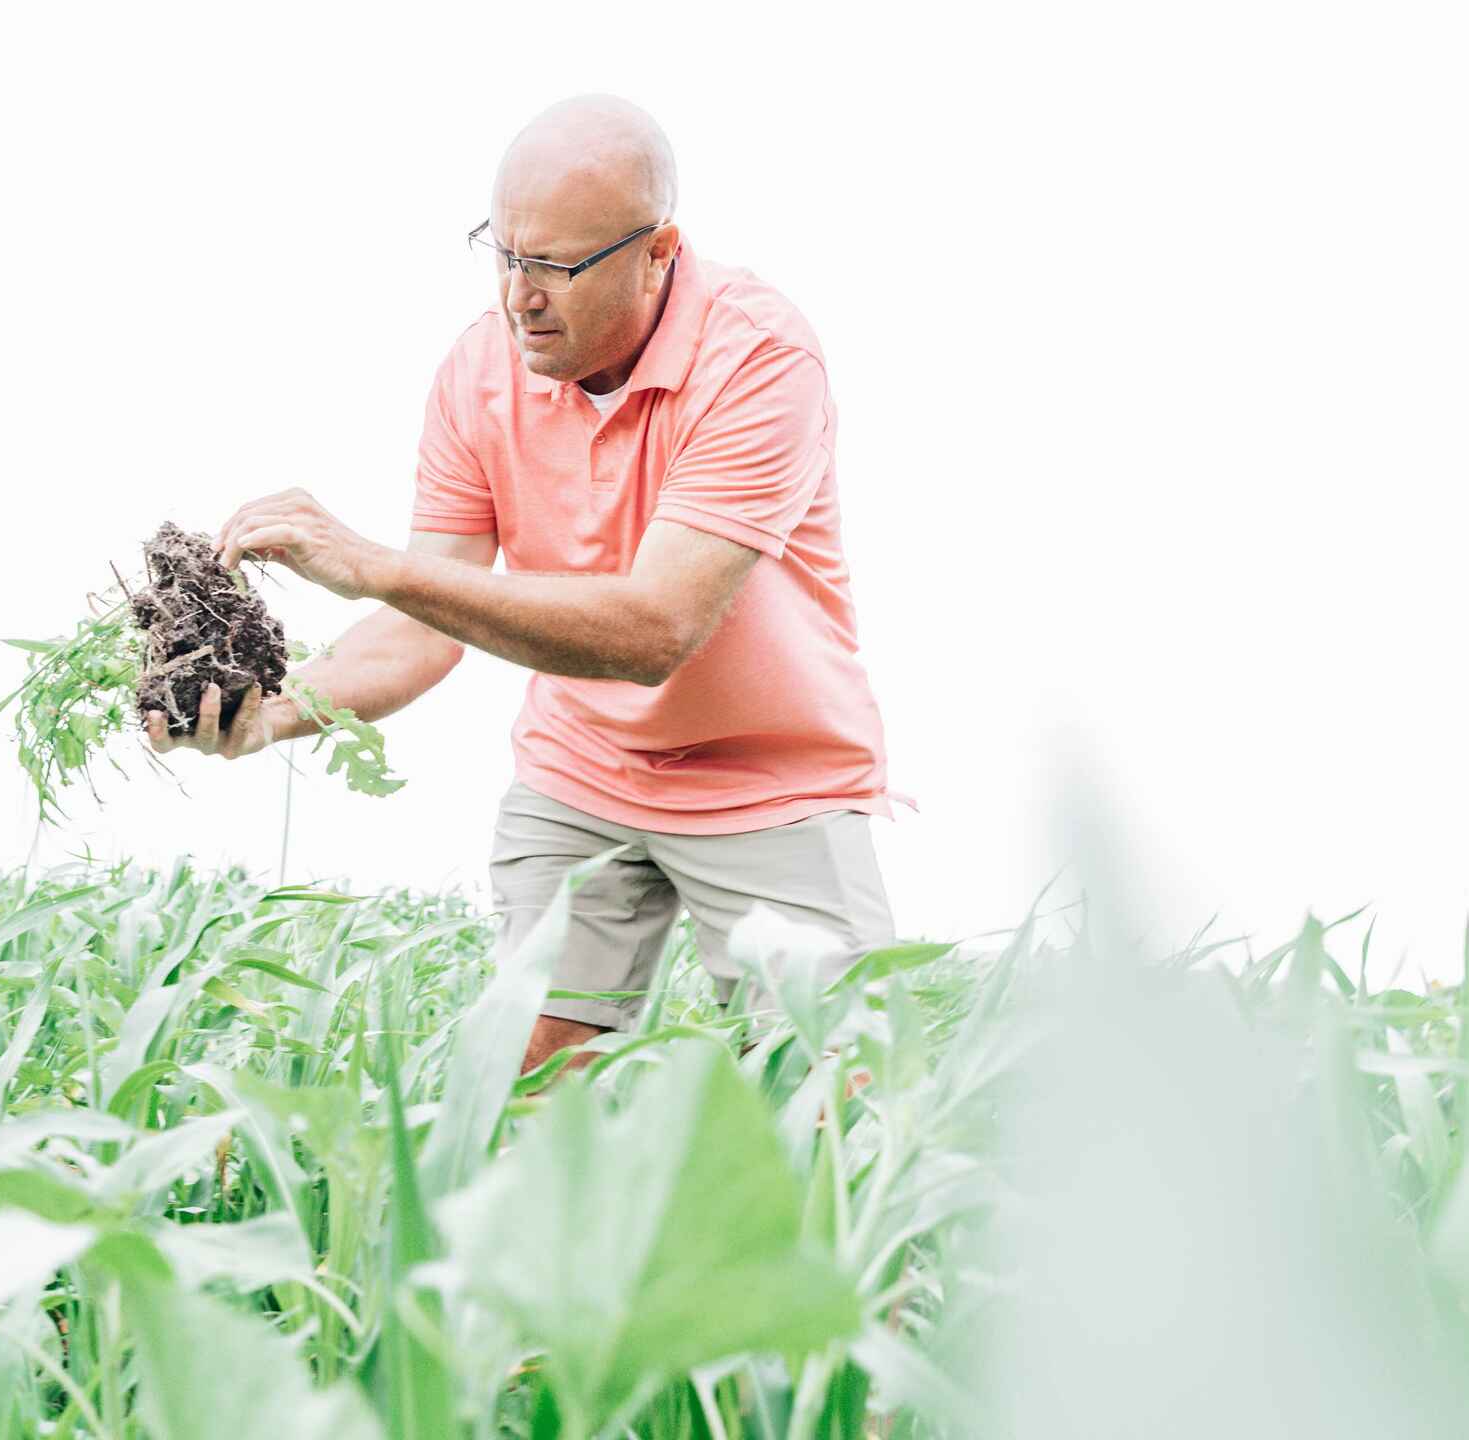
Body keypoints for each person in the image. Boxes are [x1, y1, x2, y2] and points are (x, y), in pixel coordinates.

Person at [143, 94, 909, 1073]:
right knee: (528, 1081)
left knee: (840, 1096)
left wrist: (373, 564)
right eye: (503, 254)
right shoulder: (478, 374)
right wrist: (276, 715)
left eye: (553, 266)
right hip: (580, 767)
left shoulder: (757, 360)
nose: (518, 296)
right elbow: (422, 628)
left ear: (657, 251)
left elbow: (651, 631)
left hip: (771, 777)